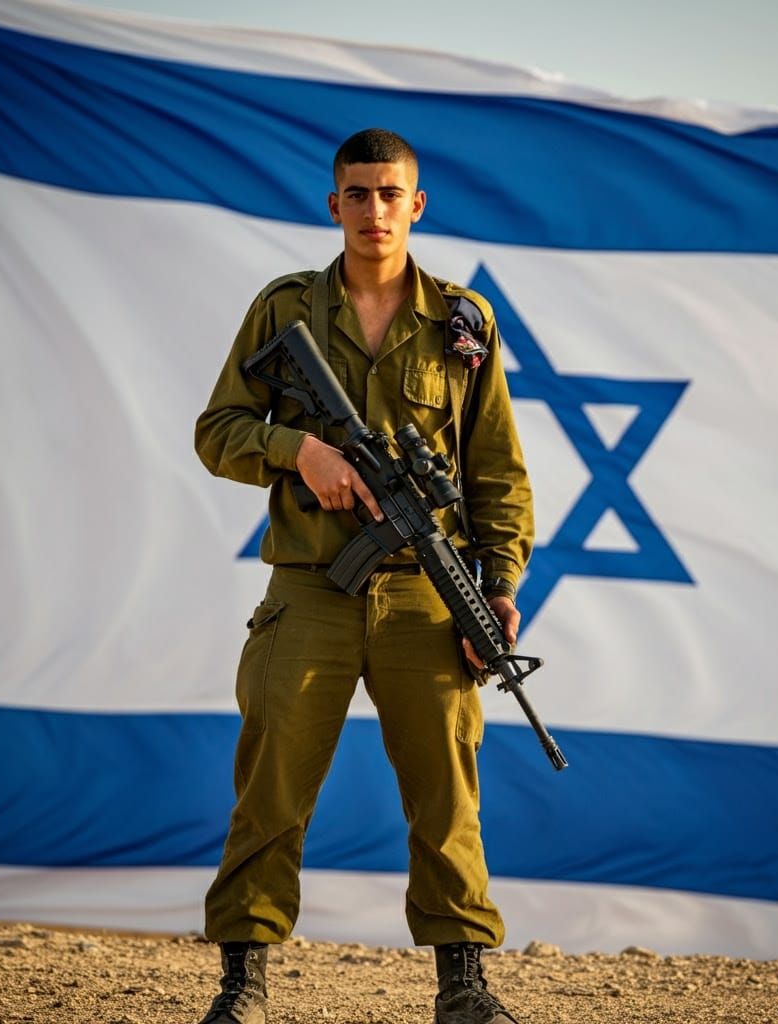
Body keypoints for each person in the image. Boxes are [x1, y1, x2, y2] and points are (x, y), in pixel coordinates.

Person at [194, 128, 534, 1024]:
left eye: (391, 194)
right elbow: (217, 428)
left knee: (445, 788)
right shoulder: (285, 311)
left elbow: (497, 470)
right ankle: (245, 981)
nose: (375, 210)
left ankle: (463, 983)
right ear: (333, 204)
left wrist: (497, 587)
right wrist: (296, 449)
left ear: (416, 205)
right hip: (312, 584)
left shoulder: (464, 322)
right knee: (272, 782)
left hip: (428, 589)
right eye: (359, 193)